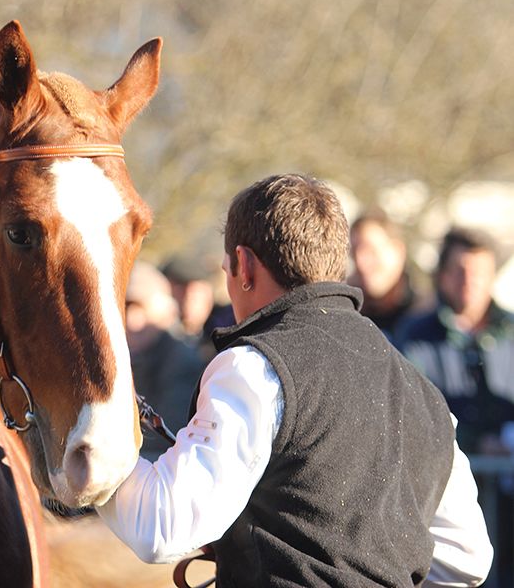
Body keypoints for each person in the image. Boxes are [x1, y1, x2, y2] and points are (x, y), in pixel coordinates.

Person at [99, 174, 493, 586]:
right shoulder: (422, 391)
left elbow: (161, 526)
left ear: (245, 266)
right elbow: (468, 559)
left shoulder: (252, 369)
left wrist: (92, 454)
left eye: (227, 269)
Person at [398, 228, 514, 455]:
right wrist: (473, 442)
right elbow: (412, 415)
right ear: (443, 275)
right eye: (460, 270)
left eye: (480, 272)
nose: (470, 281)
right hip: (447, 476)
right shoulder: (416, 337)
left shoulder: (510, 332)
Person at [125, 261, 206, 459]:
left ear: (164, 311)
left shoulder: (182, 362)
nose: (130, 320)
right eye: (123, 308)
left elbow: (165, 439)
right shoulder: (128, 357)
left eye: (139, 308)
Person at [348, 208, 425, 342]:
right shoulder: (347, 315)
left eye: (371, 250)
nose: (361, 262)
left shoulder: (424, 317)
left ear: (398, 251)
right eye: (354, 252)